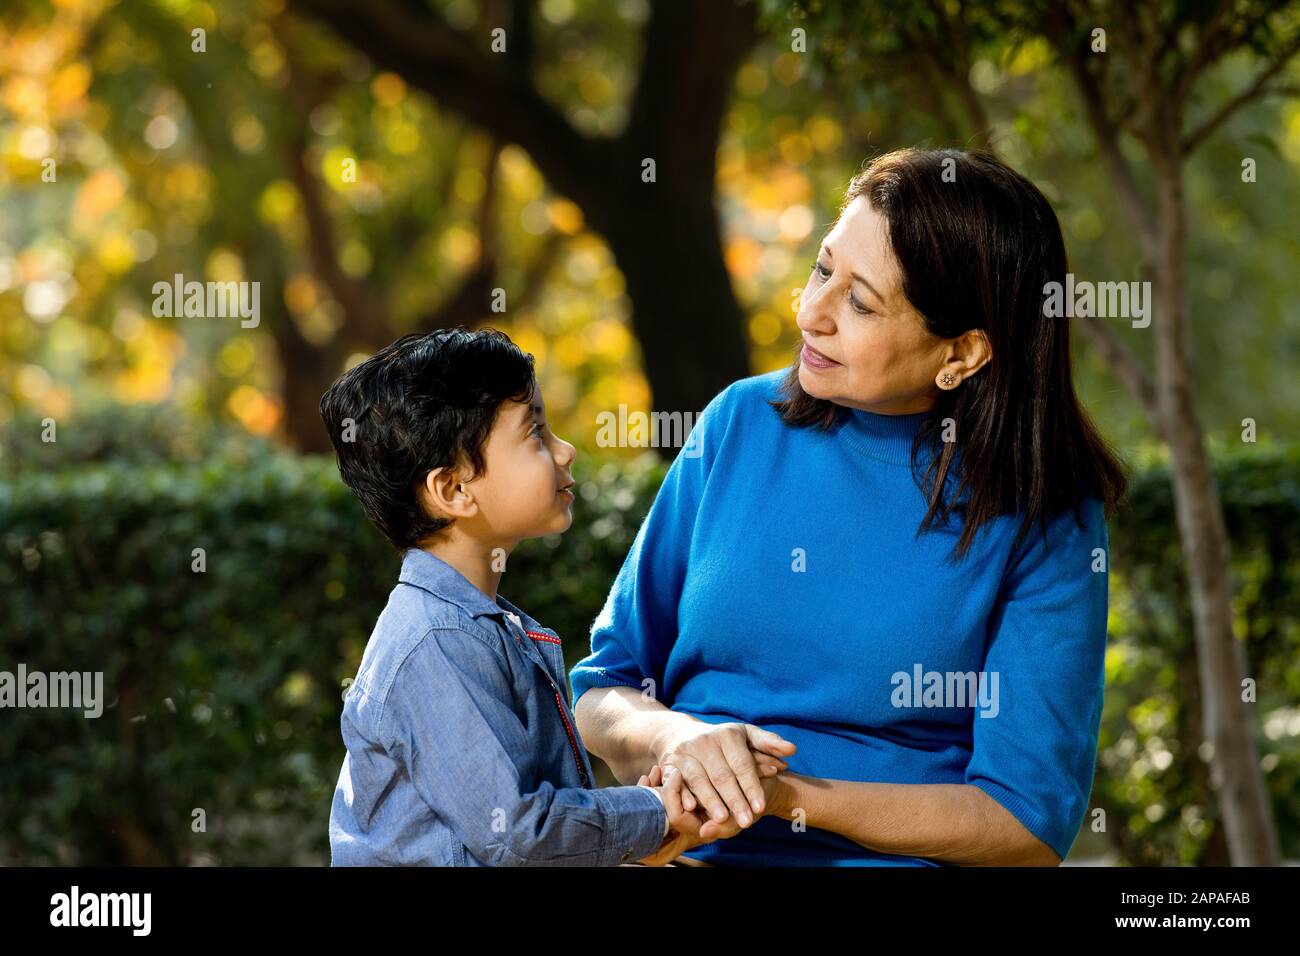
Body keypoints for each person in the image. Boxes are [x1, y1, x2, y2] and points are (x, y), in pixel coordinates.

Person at [572, 147, 1128, 866]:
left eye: (861, 302)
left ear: (960, 353)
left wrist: (785, 798)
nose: (811, 313)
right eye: (822, 269)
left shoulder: (1044, 511)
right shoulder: (739, 422)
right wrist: (671, 737)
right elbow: (603, 691)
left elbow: (1023, 819)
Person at [320, 327, 781, 865]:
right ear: (454, 489)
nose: (565, 450)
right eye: (534, 432)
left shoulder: (487, 626)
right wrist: (654, 810)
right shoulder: (436, 641)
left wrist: (654, 816)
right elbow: (518, 833)